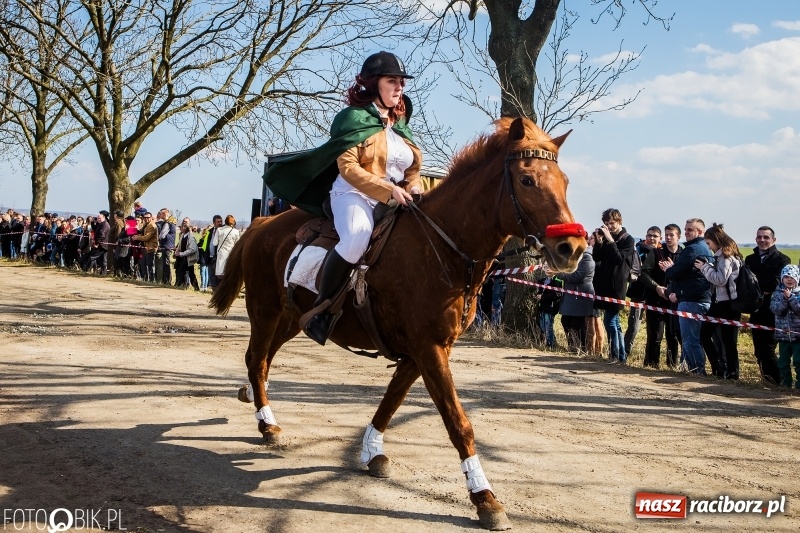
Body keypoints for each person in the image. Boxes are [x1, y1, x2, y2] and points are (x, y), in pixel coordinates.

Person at [298, 51, 422, 345]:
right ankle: (322, 310)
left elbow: (413, 169)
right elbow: (348, 167)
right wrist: (389, 189)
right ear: (372, 84)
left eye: (401, 82)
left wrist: (414, 187)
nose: (399, 87)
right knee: (357, 236)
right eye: (392, 81)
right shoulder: (352, 118)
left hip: (395, 199)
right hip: (353, 193)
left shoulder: (401, 124)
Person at [662, 218, 712, 375]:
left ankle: (698, 371)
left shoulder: (692, 250)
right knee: (692, 338)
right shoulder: (705, 248)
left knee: (690, 339)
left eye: (690, 230)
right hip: (698, 298)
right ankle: (690, 368)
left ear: (700, 232)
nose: (686, 232)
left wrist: (669, 269)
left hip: (691, 300)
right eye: (686, 229)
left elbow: (675, 272)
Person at [695, 223, 742, 379]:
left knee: (726, 340)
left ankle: (729, 372)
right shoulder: (724, 256)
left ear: (716, 240)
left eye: (709, 243)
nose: (708, 247)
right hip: (721, 301)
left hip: (726, 303)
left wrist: (704, 268)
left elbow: (720, 279)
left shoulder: (725, 257)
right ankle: (721, 369)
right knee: (717, 337)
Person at [744, 226, 790, 385]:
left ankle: (777, 383)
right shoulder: (750, 259)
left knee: (769, 349)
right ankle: (766, 380)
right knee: (758, 350)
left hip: (774, 310)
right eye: (759, 237)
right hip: (755, 309)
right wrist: (760, 287)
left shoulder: (783, 260)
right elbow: (745, 282)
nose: (762, 240)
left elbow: (777, 283)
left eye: (766, 237)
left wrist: (756, 283)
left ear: (774, 240)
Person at [591, 208, 636, 364]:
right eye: (606, 224)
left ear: (619, 221)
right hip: (604, 283)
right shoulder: (607, 236)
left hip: (617, 285)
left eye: (612, 223)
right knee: (615, 323)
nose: (609, 227)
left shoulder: (628, 239)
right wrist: (599, 241)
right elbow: (597, 257)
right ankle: (621, 356)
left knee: (609, 321)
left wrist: (610, 240)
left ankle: (615, 355)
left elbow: (618, 259)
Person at [638, 224, 683, 368]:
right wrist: (656, 287)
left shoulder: (684, 254)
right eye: (667, 235)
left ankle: (672, 366)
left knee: (673, 336)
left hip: (676, 302)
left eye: (672, 235)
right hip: (656, 299)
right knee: (655, 336)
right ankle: (651, 365)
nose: (669, 238)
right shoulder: (657, 253)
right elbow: (643, 273)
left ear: (678, 237)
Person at [624, 226, 661, 355]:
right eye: (649, 235)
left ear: (659, 238)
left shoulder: (663, 252)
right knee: (634, 326)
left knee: (654, 330)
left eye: (655, 236)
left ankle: (650, 359)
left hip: (655, 295)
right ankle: (624, 353)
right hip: (638, 293)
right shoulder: (638, 250)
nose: (651, 238)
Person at [556, 230, 595, 353]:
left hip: (580, 297)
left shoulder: (587, 258)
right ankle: (572, 347)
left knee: (577, 324)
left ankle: (581, 349)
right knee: (566, 321)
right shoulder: (575, 256)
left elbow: (577, 276)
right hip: (571, 295)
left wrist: (558, 273)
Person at [770, 265, 800, 389]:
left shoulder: (798, 294)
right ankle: (785, 384)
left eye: (792, 277)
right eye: (786, 277)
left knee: (799, 362)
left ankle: (799, 386)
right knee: (783, 362)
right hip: (782, 335)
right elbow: (775, 309)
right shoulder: (777, 293)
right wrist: (784, 299)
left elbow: (798, 309)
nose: (789, 280)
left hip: (797, 335)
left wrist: (791, 298)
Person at [535, 267, 564, 348]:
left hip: (550, 307)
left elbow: (557, 295)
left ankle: (551, 344)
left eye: (550, 267)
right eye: (545, 267)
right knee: (542, 326)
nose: (547, 269)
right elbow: (540, 292)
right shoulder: (542, 280)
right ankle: (546, 342)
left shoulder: (557, 281)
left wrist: (543, 296)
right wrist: (538, 295)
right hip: (542, 307)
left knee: (548, 326)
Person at [212, 215, 240, 283]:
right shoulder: (236, 231)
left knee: (221, 274)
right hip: (231, 254)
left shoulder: (219, 230)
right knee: (229, 274)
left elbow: (214, 243)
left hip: (221, 254)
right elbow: (237, 245)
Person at [174, 217, 200, 290]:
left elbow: (192, 249)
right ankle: (194, 287)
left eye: (183, 226)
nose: (182, 228)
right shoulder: (182, 235)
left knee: (181, 271)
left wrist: (181, 254)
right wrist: (177, 252)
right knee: (190, 273)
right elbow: (180, 246)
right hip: (183, 258)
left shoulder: (191, 237)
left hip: (188, 258)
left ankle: (180, 285)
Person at [132, 212, 158, 281]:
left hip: (150, 248)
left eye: (148, 217)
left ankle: (152, 281)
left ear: (151, 218)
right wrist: (136, 235)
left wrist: (137, 237)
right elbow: (142, 234)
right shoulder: (146, 225)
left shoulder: (152, 226)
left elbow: (147, 237)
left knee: (150, 265)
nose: (146, 219)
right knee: (143, 264)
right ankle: (145, 279)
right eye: (145, 218)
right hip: (144, 248)